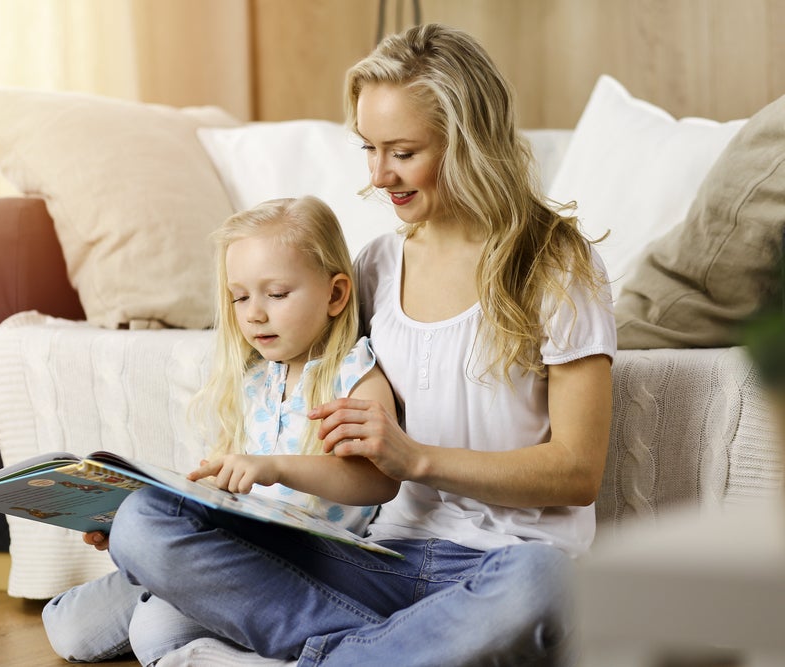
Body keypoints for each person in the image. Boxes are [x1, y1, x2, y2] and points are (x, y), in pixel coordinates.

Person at [109, 23, 617, 667]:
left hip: (504, 567)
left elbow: (577, 473)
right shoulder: (376, 267)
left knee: (547, 588)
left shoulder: (556, 267)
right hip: (377, 561)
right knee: (143, 525)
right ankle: (387, 653)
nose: (379, 176)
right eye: (369, 149)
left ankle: (324, 652)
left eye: (402, 152)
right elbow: (307, 400)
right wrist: (223, 500)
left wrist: (417, 459)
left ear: (468, 142)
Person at [42, 195, 399, 664]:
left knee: (156, 635)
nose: (254, 313)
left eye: (276, 294)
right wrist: (133, 528)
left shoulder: (354, 377)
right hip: (222, 548)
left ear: (335, 295)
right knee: (66, 627)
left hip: (297, 564)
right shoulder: (251, 380)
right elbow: (221, 487)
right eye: (240, 296)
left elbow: (378, 480)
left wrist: (274, 467)